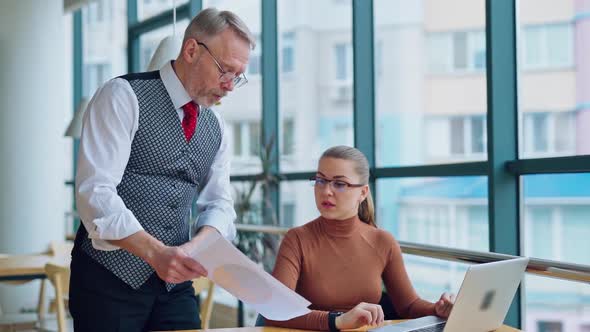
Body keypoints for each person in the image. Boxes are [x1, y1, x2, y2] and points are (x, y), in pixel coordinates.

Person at [69, 8, 255, 332]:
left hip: (175, 289)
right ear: (192, 50)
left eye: (237, 77)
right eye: (225, 71)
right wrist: (155, 254)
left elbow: (220, 204)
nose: (229, 86)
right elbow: (94, 193)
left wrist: (193, 250)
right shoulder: (122, 96)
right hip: (107, 281)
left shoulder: (217, 127)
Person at [266, 146, 455, 331]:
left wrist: (437, 309)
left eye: (339, 184)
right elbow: (277, 310)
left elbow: (409, 306)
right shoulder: (297, 239)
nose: (326, 191)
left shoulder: (383, 242)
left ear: (363, 193)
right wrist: (338, 321)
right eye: (320, 180)